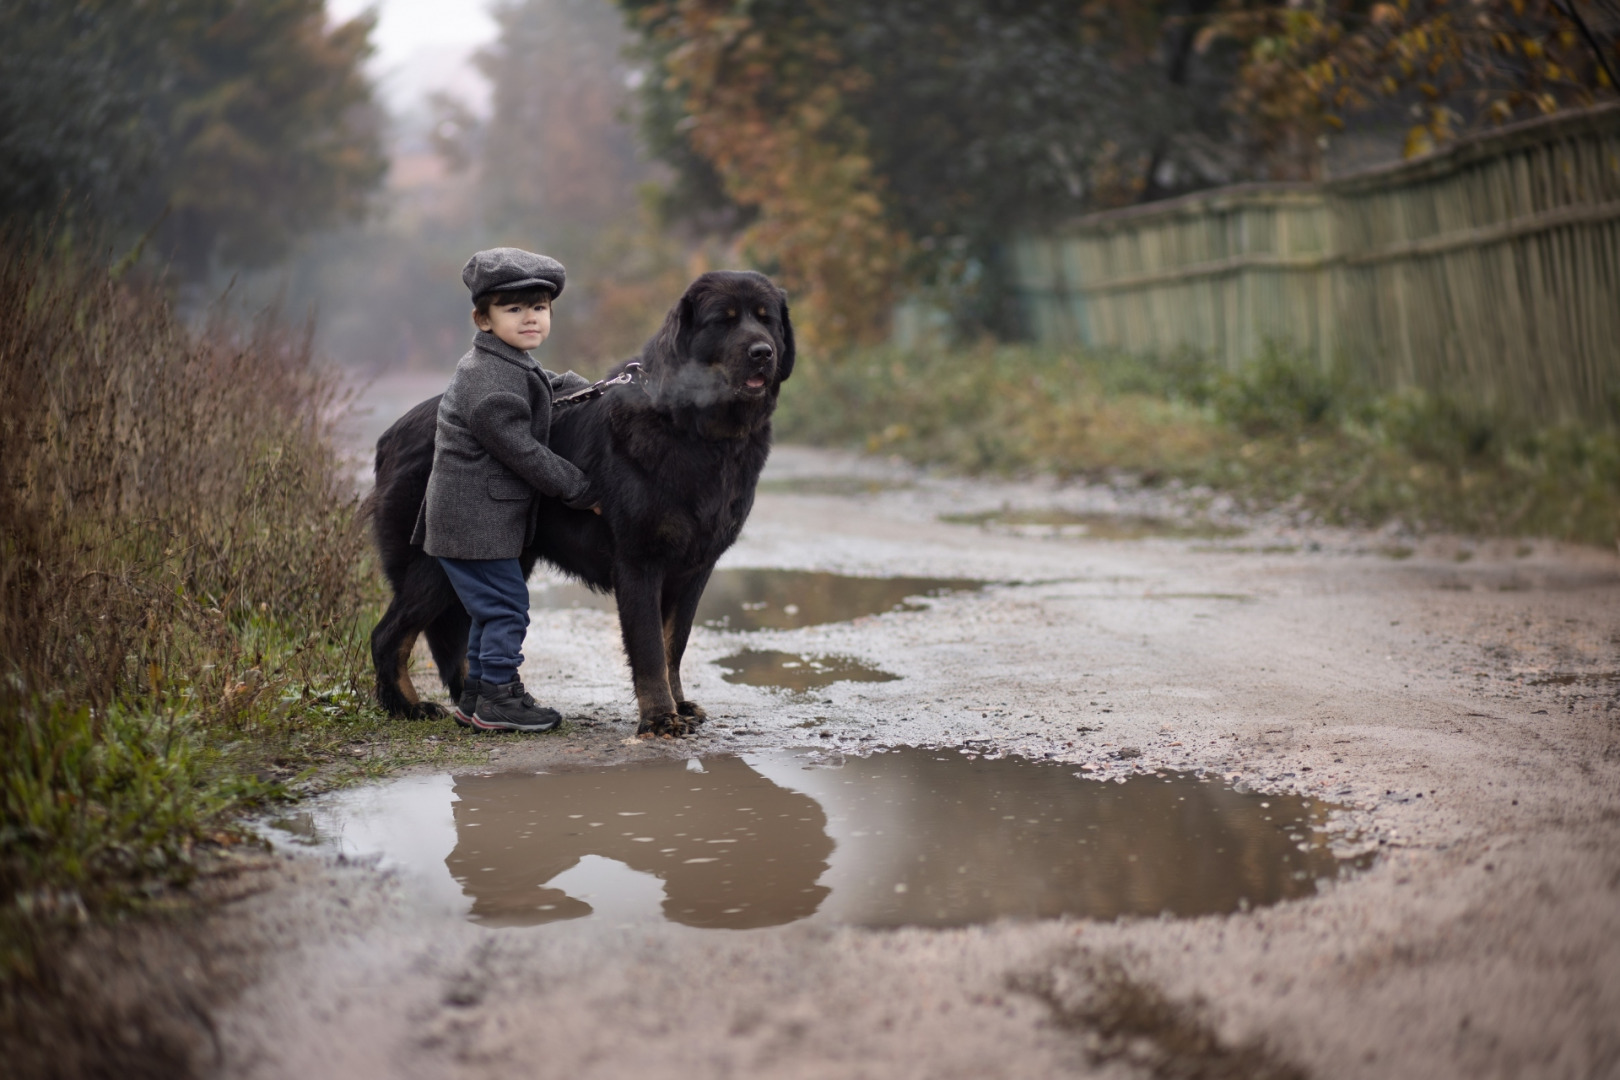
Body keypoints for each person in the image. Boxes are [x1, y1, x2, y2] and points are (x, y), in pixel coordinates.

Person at [411, 247, 598, 732]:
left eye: (539, 307)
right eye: (514, 309)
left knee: (490, 611)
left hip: (477, 521)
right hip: (475, 524)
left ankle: (477, 696)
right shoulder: (487, 383)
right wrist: (580, 488)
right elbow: (525, 452)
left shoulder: (508, 362)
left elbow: (546, 385)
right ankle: (498, 698)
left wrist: (597, 389)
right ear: (484, 318)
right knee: (506, 609)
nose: (530, 318)